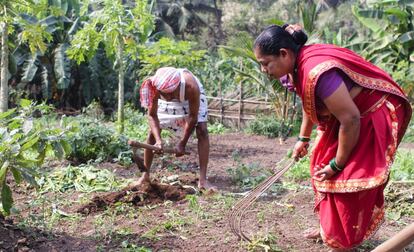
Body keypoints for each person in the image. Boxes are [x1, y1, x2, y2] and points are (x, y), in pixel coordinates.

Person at [253, 24, 412, 251]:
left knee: (349, 178)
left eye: (265, 63)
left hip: (369, 113)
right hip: (347, 115)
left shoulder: (320, 72)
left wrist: (337, 164)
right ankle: (328, 228)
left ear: (284, 54)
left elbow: (351, 119)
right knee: (320, 163)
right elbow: (309, 100)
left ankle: (343, 239)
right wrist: (303, 138)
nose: (264, 70)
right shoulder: (295, 69)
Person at [138, 67, 215, 191]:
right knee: (152, 133)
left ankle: (203, 179)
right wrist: (158, 141)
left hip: (189, 98)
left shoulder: (191, 86)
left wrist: (182, 143)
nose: (169, 98)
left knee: (202, 130)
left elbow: (193, 117)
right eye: (165, 94)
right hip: (169, 93)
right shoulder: (155, 88)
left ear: (178, 86)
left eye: (171, 93)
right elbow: (152, 116)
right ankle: (145, 175)